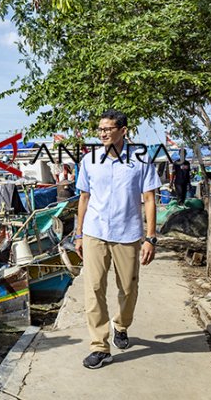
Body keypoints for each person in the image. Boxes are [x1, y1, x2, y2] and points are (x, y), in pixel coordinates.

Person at [74, 109, 162, 369]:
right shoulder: (89, 160)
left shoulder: (141, 159)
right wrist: (78, 234)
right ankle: (99, 346)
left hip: (127, 234)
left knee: (128, 288)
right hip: (95, 232)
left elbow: (149, 200)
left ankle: (121, 325)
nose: (103, 133)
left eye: (108, 129)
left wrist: (151, 238)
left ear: (123, 131)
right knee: (94, 289)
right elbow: (84, 198)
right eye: (100, 129)